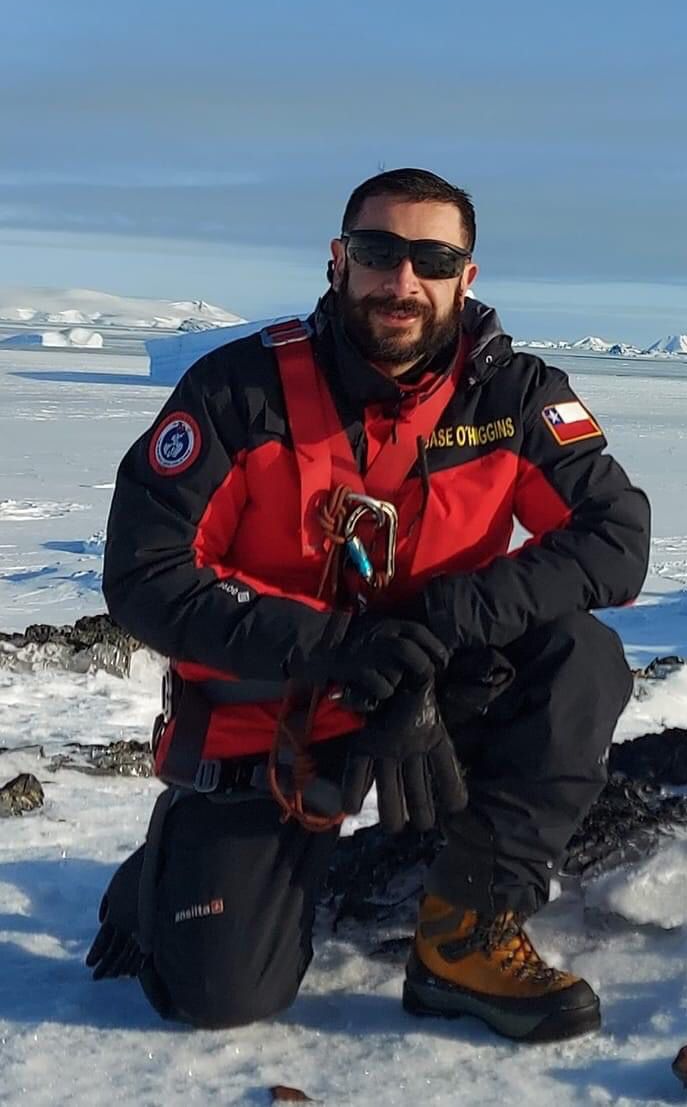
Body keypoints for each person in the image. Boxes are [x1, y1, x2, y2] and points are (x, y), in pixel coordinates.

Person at [87, 168, 649, 1043]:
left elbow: (615, 537)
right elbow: (146, 572)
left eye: (432, 259)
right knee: (222, 996)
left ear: (467, 277)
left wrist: (445, 620)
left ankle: (467, 926)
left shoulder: (512, 398)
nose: (403, 282)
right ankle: (162, 877)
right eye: (381, 254)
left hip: (437, 692)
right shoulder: (238, 393)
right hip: (274, 718)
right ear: (339, 260)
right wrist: (334, 645)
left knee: (580, 656)